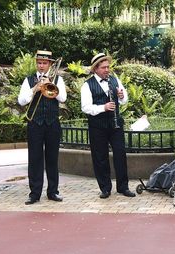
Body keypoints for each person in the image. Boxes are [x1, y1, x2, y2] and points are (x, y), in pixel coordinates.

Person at [80, 53, 135, 199]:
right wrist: (102, 107)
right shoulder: (87, 85)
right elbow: (85, 107)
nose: (107, 70)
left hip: (115, 124)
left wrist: (122, 97)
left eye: (108, 67)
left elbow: (124, 100)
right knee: (100, 157)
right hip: (97, 126)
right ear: (96, 69)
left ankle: (123, 187)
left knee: (120, 155)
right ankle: (105, 188)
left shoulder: (114, 80)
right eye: (103, 67)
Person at [18, 50, 67, 205]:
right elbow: (21, 101)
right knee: (35, 159)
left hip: (52, 123)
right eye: (39, 62)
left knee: (52, 158)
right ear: (36, 63)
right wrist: (35, 89)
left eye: (45, 63)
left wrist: (49, 84)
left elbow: (63, 98)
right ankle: (34, 193)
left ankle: (53, 191)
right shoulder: (28, 80)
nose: (41, 66)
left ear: (50, 64)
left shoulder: (57, 79)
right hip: (35, 124)